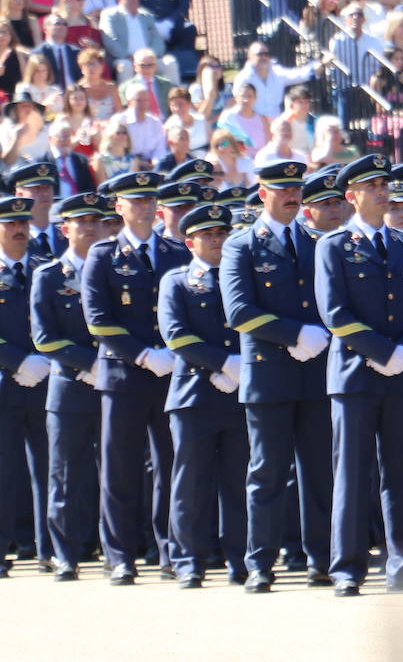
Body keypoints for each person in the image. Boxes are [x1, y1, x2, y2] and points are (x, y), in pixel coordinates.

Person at [314, 154, 403, 597]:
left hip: (402, 376)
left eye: (384, 183)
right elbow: (336, 315)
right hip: (354, 376)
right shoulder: (333, 246)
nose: (383, 191)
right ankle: (347, 567)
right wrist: (384, 352)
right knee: (352, 472)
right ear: (351, 196)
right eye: (371, 185)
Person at [218, 161, 332, 592]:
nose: (291, 195)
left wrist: (316, 334)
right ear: (263, 193)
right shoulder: (242, 245)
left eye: (295, 188)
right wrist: (295, 334)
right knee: (267, 472)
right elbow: (239, 311)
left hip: (314, 373)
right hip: (270, 375)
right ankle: (260, 562)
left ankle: (320, 559)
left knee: (318, 472)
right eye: (281, 189)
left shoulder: (316, 242)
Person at [80, 170, 192, 584]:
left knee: (170, 466)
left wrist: (173, 352)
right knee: (120, 468)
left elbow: (187, 311)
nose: (145, 207)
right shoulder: (103, 255)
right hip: (124, 374)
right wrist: (144, 354)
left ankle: (169, 550)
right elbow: (98, 321)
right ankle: (120, 554)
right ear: (119, 207)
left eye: (150, 200)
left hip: (169, 374)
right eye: (136, 200)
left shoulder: (176, 252)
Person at [157, 202, 248, 588]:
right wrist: (224, 364)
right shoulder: (176, 281)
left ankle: (239, 559)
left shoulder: (241, 277)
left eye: (221, 233)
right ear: (189, 242)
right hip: (194, 395)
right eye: (207, 235)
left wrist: (243, 368)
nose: (216, 239)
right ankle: (188, 559)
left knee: (238, 482)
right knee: (190, 482)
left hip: (240, 394)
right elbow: (176, 335)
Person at [31, 192, 106, 580]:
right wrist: (89, 364)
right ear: (65, 229)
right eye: (82, 223)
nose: (91, 229)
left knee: (112, 473)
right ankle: (65, 553)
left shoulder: (112, 269)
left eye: (96, 221)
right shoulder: (48, 275)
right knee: (65, 474)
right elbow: (45, 338)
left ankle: (111, 549)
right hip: (69, 389)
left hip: (112, 387)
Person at [0, 194, 50, 577]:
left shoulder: (43, 269)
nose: (19, 230)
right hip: (5, 383)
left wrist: (45, 359)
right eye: (10, 225)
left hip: (45, 380)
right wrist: (17, 361)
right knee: (4, 470)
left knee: (48, 467)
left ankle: (47, 547)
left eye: (23, 224)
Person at [233, 41, 321, 119]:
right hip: (253, 125)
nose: (264, 57)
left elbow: (297, 75)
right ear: (249, 57)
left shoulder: (277, 72)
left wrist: (319, 65)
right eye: (260, 54)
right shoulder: (243, 78)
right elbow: (237, 102)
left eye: (266, 54)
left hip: (275, 125)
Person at [217, 82, 271, 157]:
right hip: (237, 159)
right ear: (236, 97)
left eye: (250, 96)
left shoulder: (262, 120)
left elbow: (269, 145)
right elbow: (223, 143)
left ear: (255, 98)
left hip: (261, 160)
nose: (246, 100)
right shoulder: (228, 118)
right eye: (243, 96)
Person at [31, 14, 81, 92]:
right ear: (45, 29)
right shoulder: (39, 53)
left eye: (64, 24)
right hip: (50, 95)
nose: (62, 27)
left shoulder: (76, 51)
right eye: (57, 23)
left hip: (74, 96)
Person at [1, 91, 51, 166]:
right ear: (15, 109)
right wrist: (17, 139)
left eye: (30, 106)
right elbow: (7, 161)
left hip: (41, 172)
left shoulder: (44, 131)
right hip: (17, 173)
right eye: (23, 106)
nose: (27, 109)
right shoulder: (5, 129)